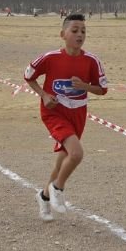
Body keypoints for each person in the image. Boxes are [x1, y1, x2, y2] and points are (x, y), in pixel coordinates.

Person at [24, 13, 108, 222]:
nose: (80, 35)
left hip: (78, 113)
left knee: (62, 161)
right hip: (54, 113)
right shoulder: (50, 58)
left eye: (83, 31)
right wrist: (44, 95)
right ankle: (57, 188)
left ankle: (44, 196)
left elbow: (102, 89)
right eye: (75, 30)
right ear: (63, 34)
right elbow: (29, 76)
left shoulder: (91, 61)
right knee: (76, 154)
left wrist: (85, 86)